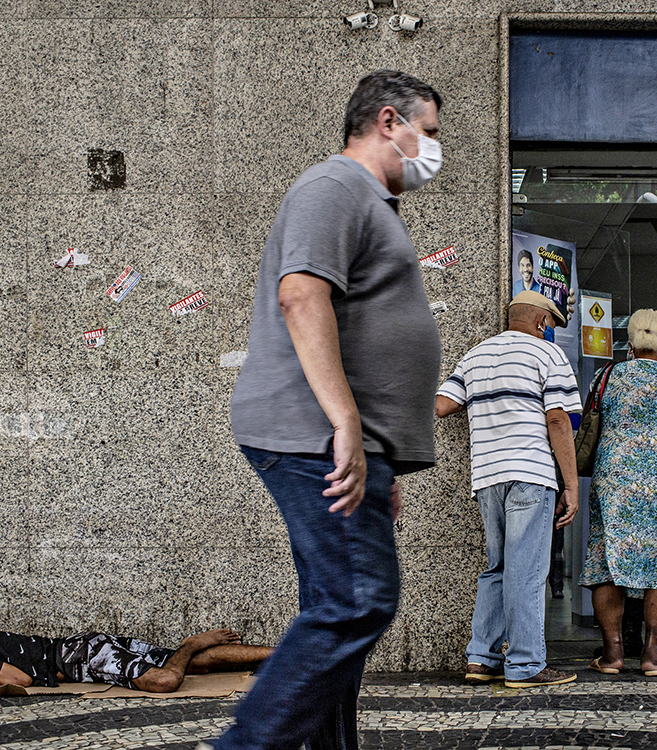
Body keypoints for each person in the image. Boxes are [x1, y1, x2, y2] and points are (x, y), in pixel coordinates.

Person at [217, 70, 443, 749]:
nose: (435, 149)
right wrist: (346, 425)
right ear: (387, 122)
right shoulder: (333, 187)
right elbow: (301, 296)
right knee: (355, 602)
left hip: (342, 442)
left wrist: (381, 456)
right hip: (311, 434)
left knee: (336, 611)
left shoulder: (368, 201)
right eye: (428, 133)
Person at [435, 290, 581, 689]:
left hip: (487, 476)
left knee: (497, 567)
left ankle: (480, 658)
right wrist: (571, 484)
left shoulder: (476, 355)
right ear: (540, 323)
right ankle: (526, 664)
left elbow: (443, 404)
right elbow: (558, 421)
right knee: (528, 571)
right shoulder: (548, 356)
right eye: (550, 325)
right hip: (530, 473)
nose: (550, 331)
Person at [579, 309, 657, 677]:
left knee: (606, 563)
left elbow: (591, 424)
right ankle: (652, 655)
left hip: (615, 484)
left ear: (630, 341)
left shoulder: (608, 376)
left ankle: (613, 654)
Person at [0, 628, 270, 697]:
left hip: (79, 658)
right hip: (84, 647)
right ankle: (285, 652)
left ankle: (190, 643)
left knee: (166, 680)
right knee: (194, 667)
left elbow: (20, 680)